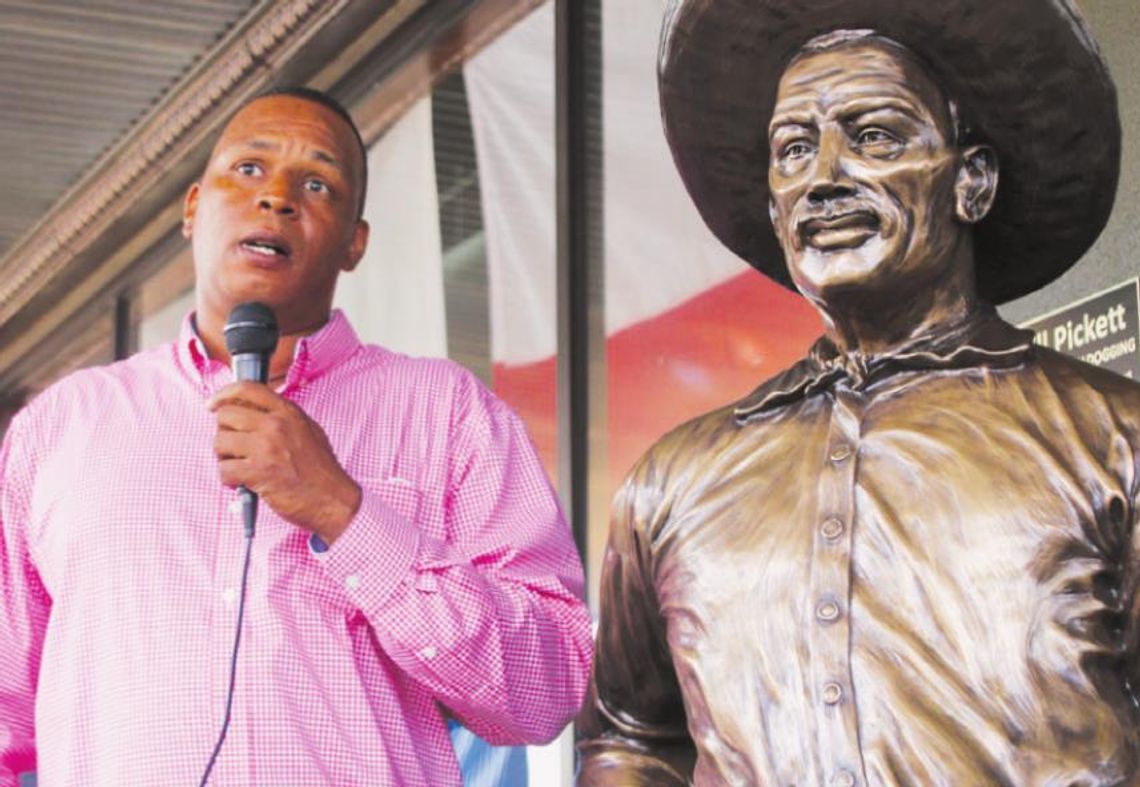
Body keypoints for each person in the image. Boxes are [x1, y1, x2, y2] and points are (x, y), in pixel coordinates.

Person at [579, 1, 1139, 784]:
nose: (823, 179)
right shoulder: (670, 482)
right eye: (794, 149)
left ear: (971, 181)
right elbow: (629, 737)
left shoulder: (1117, 439)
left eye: (873, 136)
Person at [0, 87, 592, 786]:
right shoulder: (61, 428)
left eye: (317, 183)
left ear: (355, 243)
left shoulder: (449, 413)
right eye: (249, 169)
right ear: (193, 209)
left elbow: (549, 685)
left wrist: (344, 511)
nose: (277, 197)